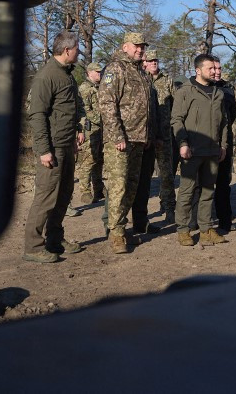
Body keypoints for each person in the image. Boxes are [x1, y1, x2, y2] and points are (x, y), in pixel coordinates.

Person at [23, 31, 85, 263]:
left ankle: (55, 239)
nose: (79, 52)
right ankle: (33, 246)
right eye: (77, 49)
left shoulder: (66, 75)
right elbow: (37, 116)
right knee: (46, 197)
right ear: (67, 50)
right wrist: (44, 150)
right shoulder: (46, 76)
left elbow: (69, 110)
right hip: (53, 147)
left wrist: (76, 135)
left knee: (64, 194)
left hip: (67, 145)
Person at [97, 31, 154, 254]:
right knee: (119, 187)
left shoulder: (140, 72)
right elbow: (107, 104)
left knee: (131, 187)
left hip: (139, 139)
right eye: (136, 46)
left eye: (142, 46)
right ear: (125, 47)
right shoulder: (115, 69)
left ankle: (120, 228)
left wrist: (148, 135)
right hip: (120, 140)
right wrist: (117, 136)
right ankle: (117, 234)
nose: (140, 49)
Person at [171, 54, 229, 247]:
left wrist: (223, 145)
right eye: (210, 68)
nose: (214, 71)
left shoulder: (218, 93)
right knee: (186, 192)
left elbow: (224, 123)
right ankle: (183, 230)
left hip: (212, 151)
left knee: (208, 192)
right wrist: (183, 143)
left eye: (215, 68)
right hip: (192, 151)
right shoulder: (185, 91)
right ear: (198, 70)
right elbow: (177, 120)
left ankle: (206, 230)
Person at [138, 49, 174, 227]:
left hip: (165, 136)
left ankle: (168, 208)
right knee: (144, 177)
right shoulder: (140, 79)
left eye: (156, 60)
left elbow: (176, 105)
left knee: (166, 174)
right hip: (145, 137)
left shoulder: (167, 80)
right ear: (144, 62)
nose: (154, 63)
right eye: (150, 60)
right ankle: (141, 215)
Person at [212, 58, 236, 234]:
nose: (217, 71)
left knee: (223, 183)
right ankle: (197, 222)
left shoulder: (228, 91)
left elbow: (232, 115)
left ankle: (224, 220)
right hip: (202, 142)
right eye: (213, 68)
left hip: (224, 142)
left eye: (219, 68)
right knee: (199, 185)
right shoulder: (193, 89)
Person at [75, 62, 105, 207]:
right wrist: (102, 119)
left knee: (99, 159)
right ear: (89, 72)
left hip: (101, 129)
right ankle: (85, 191)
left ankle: (99, 188)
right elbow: (85, 110)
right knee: (88, 160)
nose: (100, 74)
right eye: (97, 72)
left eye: (101, 72)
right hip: (90, 129)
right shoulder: (84, 89)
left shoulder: (100, 88)